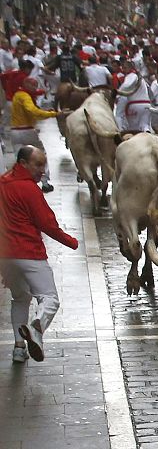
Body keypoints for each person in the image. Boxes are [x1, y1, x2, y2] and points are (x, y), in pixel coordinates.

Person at [0, 145, 78, 363]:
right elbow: (47, 224)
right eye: (38, 165)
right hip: (29, 252)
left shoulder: (3, 182)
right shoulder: (30, 189)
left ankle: (18, 348)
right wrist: (71, 242)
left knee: (20, 298)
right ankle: (36, 328)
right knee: (49, 299)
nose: (42, 170)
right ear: (23, 163)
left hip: (5, 256)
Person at [10, 76, 58, 193]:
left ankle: (19, 181)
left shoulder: (17, 94)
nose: (35, 88)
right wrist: (54, 114)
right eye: (33, 86)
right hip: (27, 131)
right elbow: (32, 111)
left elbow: (36, 93)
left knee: (19, 157)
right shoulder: (26, 97)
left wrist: (42, 91)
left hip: (14, 131)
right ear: (27, 85)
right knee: (41, 154)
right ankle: (45, 182)